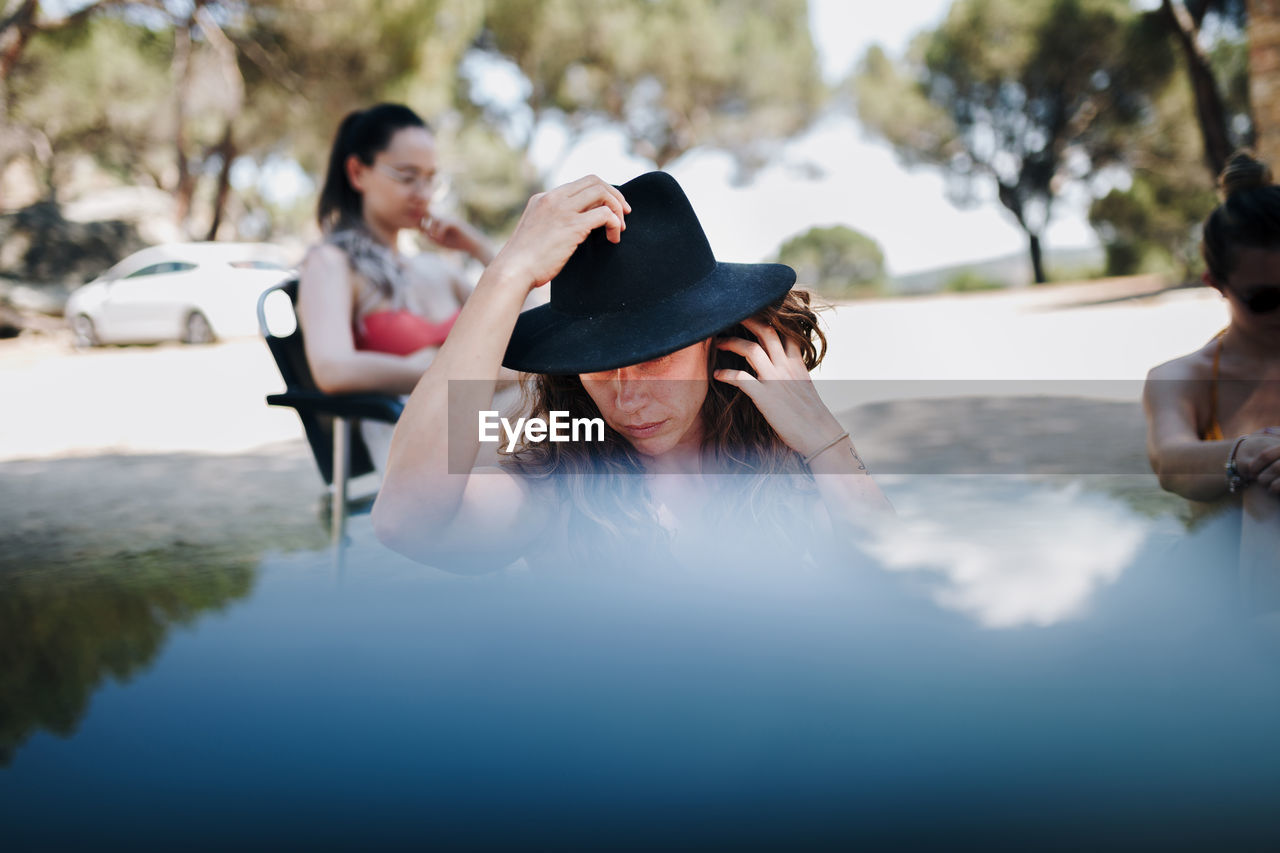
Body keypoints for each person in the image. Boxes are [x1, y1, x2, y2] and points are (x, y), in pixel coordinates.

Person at [372, 171, 893, 574]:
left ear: (711, 341)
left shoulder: (780, 457)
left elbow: (884, 580)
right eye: (598, 369)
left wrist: (825, 440)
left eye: (654, 358)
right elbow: (405, 522)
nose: (628, 400)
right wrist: (508, 273)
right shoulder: (562, 487)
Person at [297, 103, 514, 469]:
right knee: (579, 429)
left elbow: (534, 326)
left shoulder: (436, 268)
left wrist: (479, 248)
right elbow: (332, 369)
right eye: (406, 175)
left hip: (482, 419)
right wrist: (458, 374)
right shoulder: (331, 263)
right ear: (357, 172)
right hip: (415, 438)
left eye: (431, 178)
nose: (423, 192)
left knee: (583, 418)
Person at [1144, 150, 1280, 601]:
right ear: (1215, 284)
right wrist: (1249, 454)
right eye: (1264, 298)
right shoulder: (1182, 379)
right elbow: (1170, 460)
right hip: (1225, 599)